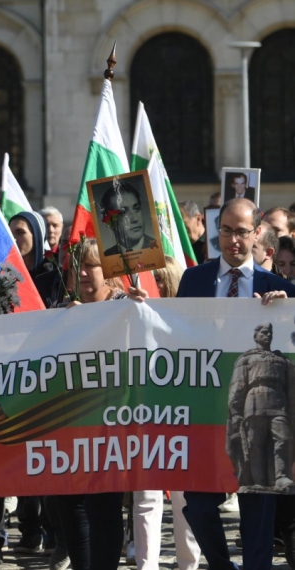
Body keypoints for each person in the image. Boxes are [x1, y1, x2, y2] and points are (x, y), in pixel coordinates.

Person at [167, 198, 295, 570]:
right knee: (199, 504)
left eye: (241, 232)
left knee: (257, 519)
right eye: (225, 231)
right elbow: (174, 337)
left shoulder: (279, 288)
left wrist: (286, 314)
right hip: (205, 416)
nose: (232, 240)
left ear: (257, 233)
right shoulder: (194, 279)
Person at [59, 238, 130, 570]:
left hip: (112, 424)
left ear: (109, 271)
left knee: (104, 505)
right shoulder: (62, 309)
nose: (83, 273)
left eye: (91, 265)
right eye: (78, 267)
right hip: (69, 425)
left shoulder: (127, 306)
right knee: (67, 504)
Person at [133, 256, 202, 570]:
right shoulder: (135, 313)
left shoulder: (190, 321)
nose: (155, 286)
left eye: (160, 280)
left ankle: (188, 563)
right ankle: (147, 564)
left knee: (184, 498)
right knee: (145, 496)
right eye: (151, 279)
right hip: (145, 416)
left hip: (183, 418)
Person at [227, 323, 295, 490]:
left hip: (279, 402)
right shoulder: (246, 359)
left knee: (283, 439)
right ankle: (257, 481)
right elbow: (238, 385)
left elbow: (292, 389)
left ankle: (281, 477)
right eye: (264, 333)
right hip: (254, 403)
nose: (268, 336)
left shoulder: (282, 360)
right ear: (255, 336)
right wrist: (235, 412)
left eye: (270, 333)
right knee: (254, 444)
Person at [10, 210, 64, 307]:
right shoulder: (4, 274)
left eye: (20, 232)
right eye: (10, 233)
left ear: (36, 235)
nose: (13, 238)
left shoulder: (57, 274)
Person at [99, 182, 156, 255]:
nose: (135, 219)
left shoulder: (158, 248)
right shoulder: (107, 256)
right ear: (110, 221)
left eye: (137, 208)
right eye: (123, 212)